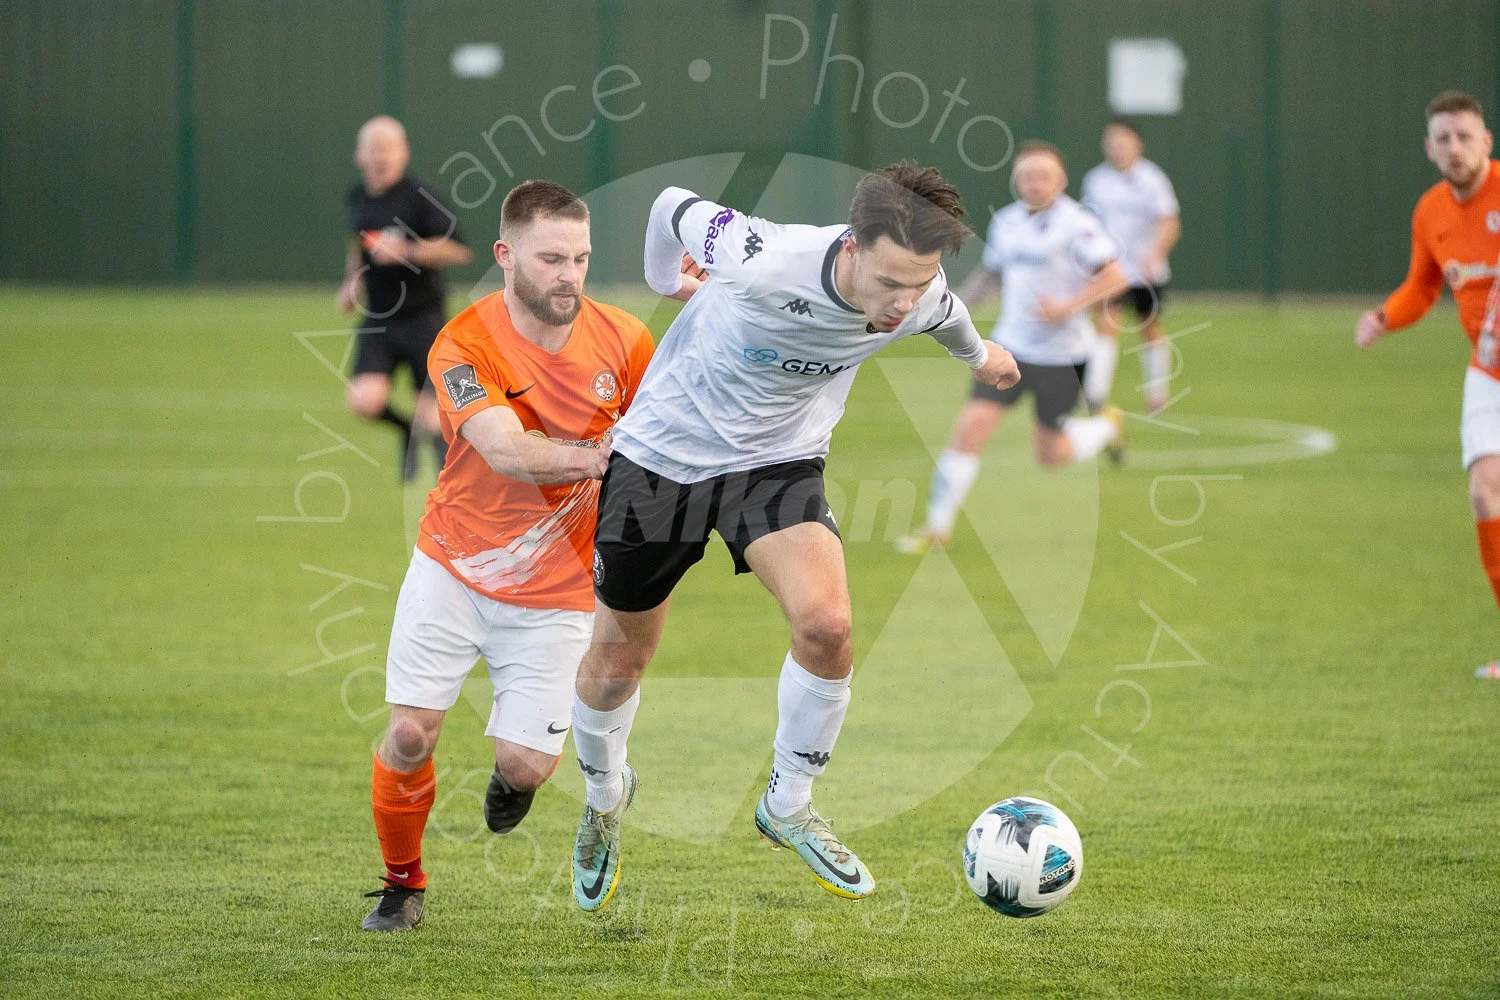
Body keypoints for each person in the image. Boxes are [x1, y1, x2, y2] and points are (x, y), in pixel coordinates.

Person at [564, 161, 1020, 912]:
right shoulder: (760, 257)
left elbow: (946, 314)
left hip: (776, 464)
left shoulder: (920, 292)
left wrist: (983, 356)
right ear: (852, 247)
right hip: (660, 458)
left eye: (918, 283)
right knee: (618, 660)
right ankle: (605, 797)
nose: (902, 303)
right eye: (889, 283)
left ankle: (788, 803)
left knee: (827, 626)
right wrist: (669, 282)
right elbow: (671, 204)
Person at [361, 181, 655, 932]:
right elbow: (504, 449)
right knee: (408, 733)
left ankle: (515, 778)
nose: (570, 275)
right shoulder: (462, 343)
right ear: (506, 255)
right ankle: (402, 883)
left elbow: (673, 432)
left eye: (581, 258)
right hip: (453, 567)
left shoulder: (626, 341)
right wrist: (601, 457)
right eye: (552, 258)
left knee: (526, 767)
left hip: (559, 594)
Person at [898, 141, 1129, 554]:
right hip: (1011, 349)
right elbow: (991, 276)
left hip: (1063, 358)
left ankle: (1107, 427)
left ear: (1060, 180)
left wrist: (1068, 306)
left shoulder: (1078, 224)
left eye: (1043, 175)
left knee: (1050, 454)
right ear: (1015, 181)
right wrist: (945, 308)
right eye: (1026, 176)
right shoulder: (1006, 222)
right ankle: (937, 527)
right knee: (970, 429)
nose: (1034, 183)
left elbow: (1116, 278)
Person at [1355, 90, 1500, 679]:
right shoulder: (1431, 212)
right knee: (1485, 494)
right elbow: (1422, 287)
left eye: (1465, 136)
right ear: (1428, 149)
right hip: (1488, 372)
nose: (1455, 147)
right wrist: (1385, 316)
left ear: (1487, 140)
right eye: (1444, 138)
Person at [340, 115, 472, 479]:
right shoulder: (357, 196)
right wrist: (351, 283)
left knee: (432, 417)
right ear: (359, 155)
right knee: (364, 401)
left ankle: (447, 473)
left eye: (388, 149)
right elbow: (358, 243)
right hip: (379, 318)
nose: (381, 157)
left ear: (404, 154)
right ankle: (406, 433)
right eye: (374, 149)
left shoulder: (421, 198)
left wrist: (408, 250)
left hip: (422, 317)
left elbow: (459, 250)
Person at [1080, 118, 1181, 413]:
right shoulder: (1096, 180)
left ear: (1138, 144)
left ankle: (1157, 394)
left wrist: (1155, 253)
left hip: (1146, 270)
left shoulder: (1152, 179)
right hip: (1110, 269)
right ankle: (1095, 394)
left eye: (1123, 142)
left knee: (1149, 327)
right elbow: (1087, 225)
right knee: (1105, 323)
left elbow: (1169, 221)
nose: (1117, 148)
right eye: (1111, 142)